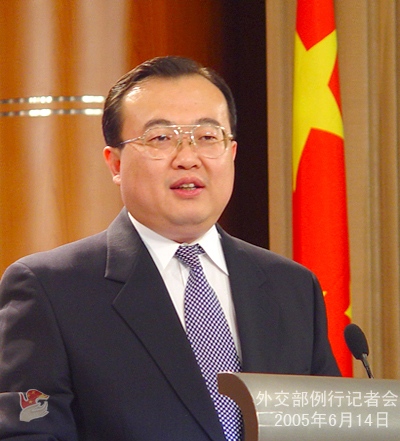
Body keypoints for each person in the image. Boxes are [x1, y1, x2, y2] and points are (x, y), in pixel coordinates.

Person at [0, 56, 340, 441]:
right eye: (161, 138)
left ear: (231, 153)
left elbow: (327, 428)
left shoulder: (292, 286)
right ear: (115, 163)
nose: (188, 158)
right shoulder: (50, 290)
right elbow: (30, 433)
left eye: (207, 137)